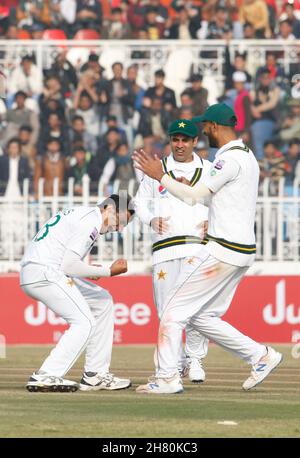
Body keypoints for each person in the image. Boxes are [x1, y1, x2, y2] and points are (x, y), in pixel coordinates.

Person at [133, 103, 283, 394]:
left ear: (214, 127)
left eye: (205, 127)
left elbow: (193, 196)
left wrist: (159, 176)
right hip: (241, 251)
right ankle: (261, 356)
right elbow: (213, 200)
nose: (203, 132)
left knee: (173, 312)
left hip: (222, 250)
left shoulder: (228, 161)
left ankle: (167, 378)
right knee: (202, 317)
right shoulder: (248, 156)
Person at [20, 193, 135, 392]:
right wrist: (108, 271)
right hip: (45, 272)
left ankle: (95, 375)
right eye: (121, 220)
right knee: (85, 322)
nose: (120, 228)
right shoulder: (90, 221)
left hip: (41, 271)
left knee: (102, 300)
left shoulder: (85, 215)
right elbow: (70, 266)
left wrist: (91, 271)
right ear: (108, 208)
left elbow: (68, 264)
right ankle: (47, 374)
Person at [134, 119, 211, 383]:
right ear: (170, 141)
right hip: (164, 247)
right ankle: (173, 365)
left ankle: (195, 358)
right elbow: (139, 202)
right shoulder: (158, 168)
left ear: (194, 142)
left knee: (197, 307)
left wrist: (215, 221)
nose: (179, 145)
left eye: (185, 140)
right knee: (166, 310)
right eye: (175, 140)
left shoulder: (208, 169)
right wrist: (149, 219)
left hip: (197, 246)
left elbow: (223, 202)